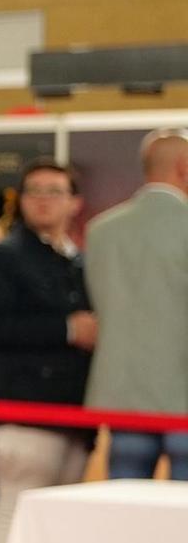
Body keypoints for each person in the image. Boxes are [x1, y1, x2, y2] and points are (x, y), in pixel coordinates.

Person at [0, 158, 93, 543]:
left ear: (74, 202)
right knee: (12, 513)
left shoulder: (78, 260)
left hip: (72, 413)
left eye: (53, 190)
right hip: (23, 408)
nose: (42, 199)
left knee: (51, 521)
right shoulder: (2, 258)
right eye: (34, 190)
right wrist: (66, 329)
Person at [83, 130, 188, 481]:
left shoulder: (100, 230)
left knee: (124, 499)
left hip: (122, 393)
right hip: (182, 395)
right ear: (184, 166)